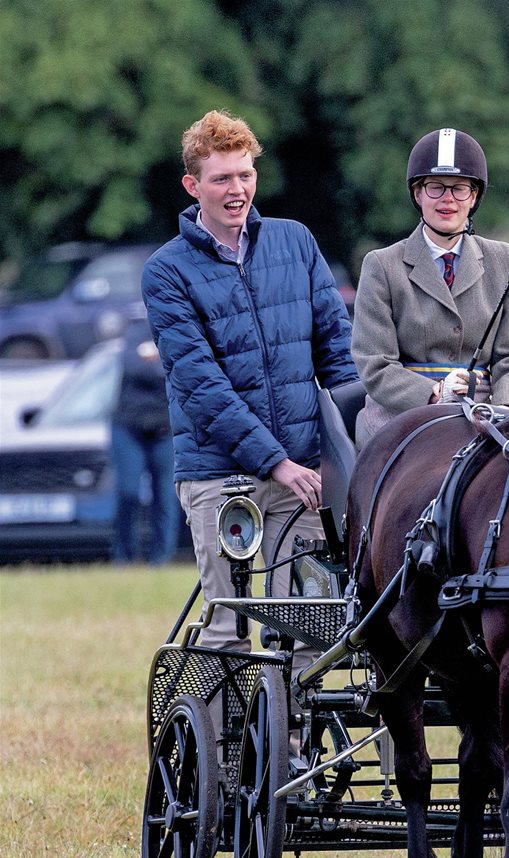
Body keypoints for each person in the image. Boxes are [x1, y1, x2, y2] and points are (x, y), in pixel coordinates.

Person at [141, 109, 359, 653]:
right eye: (222, 179)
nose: (237, 190)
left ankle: (290, 740)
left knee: (311, 625)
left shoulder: (296, 243)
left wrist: (364, 445)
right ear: (193, 186)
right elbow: (201, 387)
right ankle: (230, 741)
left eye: (245, 175)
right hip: (220, 474)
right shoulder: (166, 272)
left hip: (302, 472)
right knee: (227, 632)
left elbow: (337, 354)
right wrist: (274, 462)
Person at [351, 128, 509, 448]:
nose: (448, 199)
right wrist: (433, 393)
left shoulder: (503, 259)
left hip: (484, 412)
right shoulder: (381, 265)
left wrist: (506, 411)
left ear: (475, 196)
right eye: (435, 188)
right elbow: (375, 363)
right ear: (418, 194)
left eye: (460, 189)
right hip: (400, 415)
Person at [110, 325, 180, 565]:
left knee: (165, 496)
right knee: (128, 492)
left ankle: (161, 559)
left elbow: (181, 368)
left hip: (164, 430)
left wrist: (155, 361)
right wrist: (163, 364)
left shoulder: (177, 331)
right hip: (128, 428)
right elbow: (132, 365)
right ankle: (124, 558)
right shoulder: (134, 332)